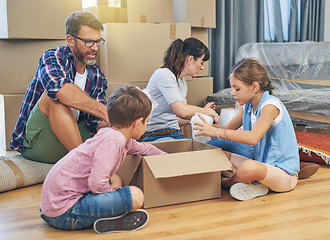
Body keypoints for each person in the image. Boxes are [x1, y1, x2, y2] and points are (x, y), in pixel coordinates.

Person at [40, 86, 167, 233]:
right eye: (147, 122)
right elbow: (96, 183)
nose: (146, 125)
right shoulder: (113, 140)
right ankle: (110, 218)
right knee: (136, 196)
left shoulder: (117, 136)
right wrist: (112, 195)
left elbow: (146, 149)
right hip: (65, 212)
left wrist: (168, 158)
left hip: (53, 207)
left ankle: (108, 215)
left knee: (117, 181)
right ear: (138, 123)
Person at [194, 58, 302, 201]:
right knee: (217, 155)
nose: (232, 93)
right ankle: (254, 185)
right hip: (262, 163)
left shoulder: (270, 106)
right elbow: (226, 129)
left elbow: (253, 137)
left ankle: (226, 182)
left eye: (237, 88)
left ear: (255, 87)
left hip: (283, 174)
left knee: (248, 168)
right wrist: (206, 127)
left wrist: (216, 132)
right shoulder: (249, 106)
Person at [10, 11, 109, 164]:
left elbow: (95, 122)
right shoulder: (53, 57)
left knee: (111, 116)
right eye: (89, 42)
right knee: (54, 98)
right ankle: (85, 165)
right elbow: (60, 91)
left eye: (98, 41)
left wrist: (117, 120)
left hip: (73, 140)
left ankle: (86, 157)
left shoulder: (97, 75)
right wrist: (104, 111)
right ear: (70, 40)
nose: (95, 48)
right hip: (40, 141)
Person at [138, 37, 220, 142]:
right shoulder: (164, 74)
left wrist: (200, 114)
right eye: (202, 62)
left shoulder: (182, 82)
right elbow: (182, 111)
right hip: (155, 136)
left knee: (222, 143)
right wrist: (209, 112)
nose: (202, 68)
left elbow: (178, 118)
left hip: (173, 134)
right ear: (190, 59)